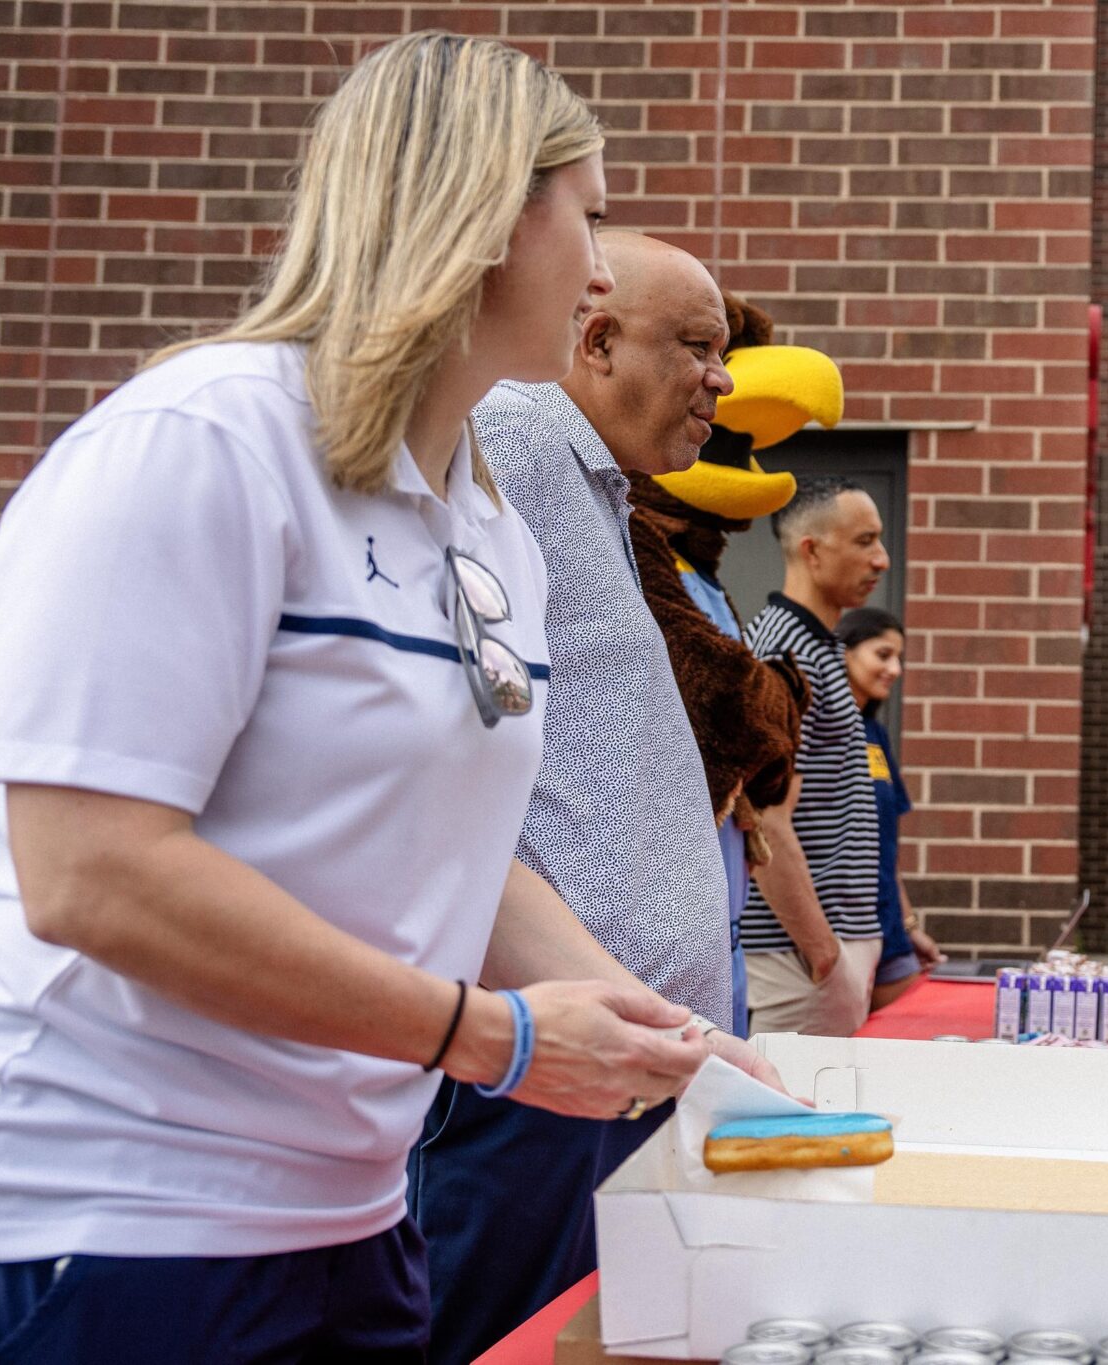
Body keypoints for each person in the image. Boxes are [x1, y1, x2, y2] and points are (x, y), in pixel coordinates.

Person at [0, 34, 755, 1364]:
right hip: (128, 1228)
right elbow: (88, 873)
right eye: (583, 215)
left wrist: (668, 1041)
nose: (595, 265)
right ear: (480, 213)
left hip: (355, 1223)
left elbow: (475, 859)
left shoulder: (490, 527)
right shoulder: (201, 444)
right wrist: (488, 1037)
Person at [408, 232, 781, 1365]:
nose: (722, 378)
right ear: (595, 336)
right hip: (546, 1068)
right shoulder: (514, 441)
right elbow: (454, 777)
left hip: (609, 1060)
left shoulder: (592, 484)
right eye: (698, 346)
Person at [625, 290, 840, 1036]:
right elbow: (730, 706)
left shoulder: (704, 573)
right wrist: (779, 697)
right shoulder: (628, 548)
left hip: (717, 926)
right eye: (699, 355)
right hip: (642, 941)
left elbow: (759, 752)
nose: (717, 383)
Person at [743, 477, 893, 1035]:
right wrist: (821, 949)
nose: (881, 559)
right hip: (797, 959)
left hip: (823, 951)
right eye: (864, 541)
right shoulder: (785, 651)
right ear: (812, 550)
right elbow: (764, 818)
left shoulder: (819, 645)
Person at [836, 607, 946, 1010]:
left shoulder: (875, 734)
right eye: (883, 655)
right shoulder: (819, 728)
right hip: (838, 936)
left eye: (899, 658)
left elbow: (887, 847)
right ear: (843, 652)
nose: (895, 669)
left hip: (888, 930)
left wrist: (909, 924)